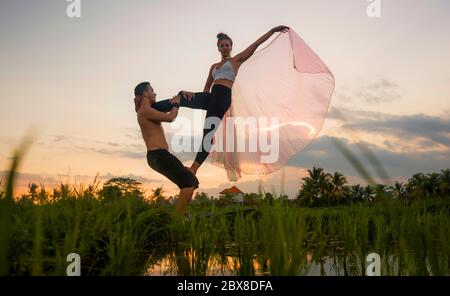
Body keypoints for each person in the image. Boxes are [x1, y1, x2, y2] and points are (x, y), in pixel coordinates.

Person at [147, 26, 290, 176]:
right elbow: (208, 86)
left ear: (231, 47)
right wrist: (199, 99)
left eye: (227, 45)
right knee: (182, 97)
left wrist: (273, 31)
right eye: (222, 45)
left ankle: (194, 168)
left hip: (222, 98)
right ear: (218, 48)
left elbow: (256, 44)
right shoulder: (213, 67)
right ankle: (152, 108)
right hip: (211, 97)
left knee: (208, 132)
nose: (225, 47)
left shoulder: (237, 60)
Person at [134, 82, 199, 214]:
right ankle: (177, 219)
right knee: (189, 181)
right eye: (152, 90)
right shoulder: (145, 111)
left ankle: (180, 215)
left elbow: (166, 106)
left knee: (190, 179)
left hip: (159, 156)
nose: (155, 93)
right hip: (157, 155)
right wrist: (176, 104)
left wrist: (180, 95)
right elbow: (170, 117)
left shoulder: (149, 110)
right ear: (146, 93)